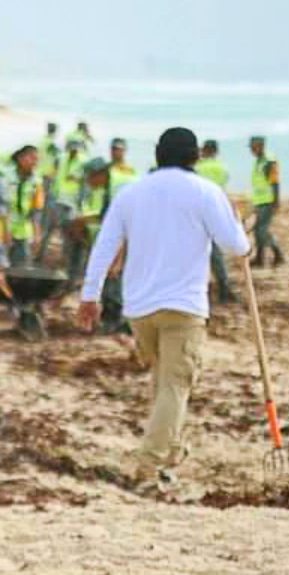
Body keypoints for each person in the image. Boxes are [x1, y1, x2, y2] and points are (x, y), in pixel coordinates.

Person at [76, 127, 251, 489]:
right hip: (184, 307)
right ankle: (149, 465)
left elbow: (104, 247)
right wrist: (236, 221)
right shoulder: (205, 192)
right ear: (196, 156)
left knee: (163, 381)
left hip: (138, 308)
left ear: (157, 155)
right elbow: (236, 246)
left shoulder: (131, 192)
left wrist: (90, 296)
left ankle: (170, 451)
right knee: (176, 384)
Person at [195, 139, 235, 302]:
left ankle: (205, 289)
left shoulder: (198, 168)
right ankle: (224, 286)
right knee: (216, 253)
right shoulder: (223, 168)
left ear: (205, 150)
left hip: (198, 214)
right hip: (217, 212)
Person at [3, 145, 46, 265]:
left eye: (36, 159)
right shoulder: (5, 178)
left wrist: (37, 235)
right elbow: (0, 207)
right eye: (32, 158)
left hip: (23, 231)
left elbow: (36, 210)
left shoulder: (37, 182)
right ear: (21, 159)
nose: (35, 162)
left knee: (22, 265)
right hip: (3, 228)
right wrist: (6, 230)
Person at [248, 135, 284, 268]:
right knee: (261, 230)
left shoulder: (269, 161)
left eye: (253, 147)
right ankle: (269, 256)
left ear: (260, 146)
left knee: (261, 231)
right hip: (260, 201)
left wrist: (276, 201)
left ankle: (265, 258)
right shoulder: (259, 160)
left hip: (268, 201)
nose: (251, 150)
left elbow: (275, 182)